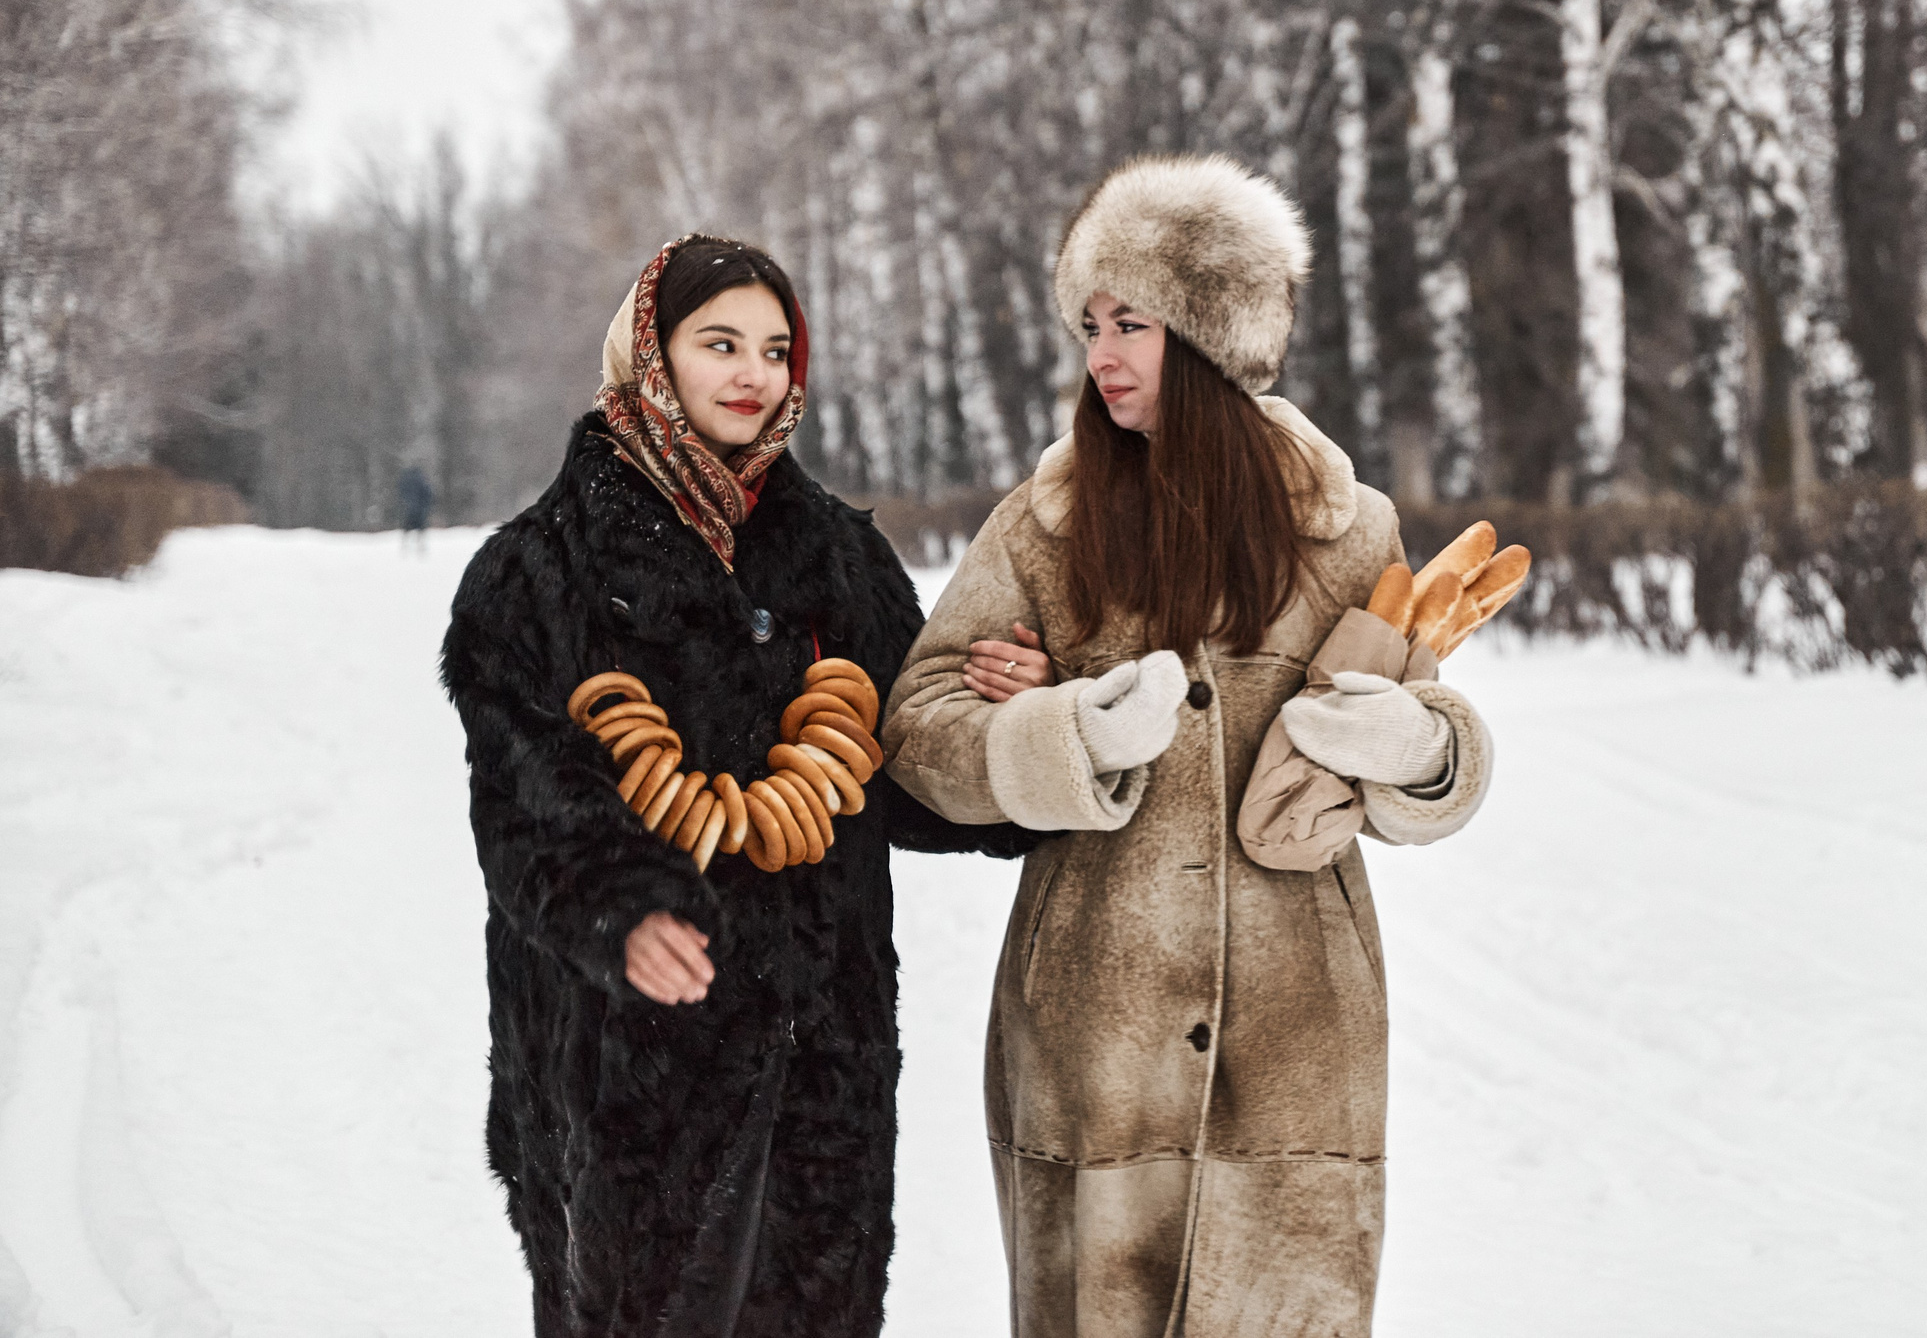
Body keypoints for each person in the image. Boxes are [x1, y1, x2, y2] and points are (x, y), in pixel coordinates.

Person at [882, 154, 1495, 1338]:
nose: (1100, 354)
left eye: (1132, 322)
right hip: (1091, 1044)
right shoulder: (1046, 525)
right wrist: (1056, 730)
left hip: (1298, 1046)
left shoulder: (1349, 528)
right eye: (1089, 324)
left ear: (1215, 333)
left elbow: (1437, 771)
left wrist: (1414, 743)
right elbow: (918, 727)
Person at [441, 234, 1033, 1338]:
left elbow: (908, 776)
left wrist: (1011, 722)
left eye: (774, 347)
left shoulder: (842, 562)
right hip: (621, 1063)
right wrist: (621, 908)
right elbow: (523, 802)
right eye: (719, 342)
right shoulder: (534, 573)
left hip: (824, 1069)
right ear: (650, 352)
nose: (753, 373)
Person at [397, 462, 433, 552]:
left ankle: (404, 545)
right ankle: (420, 545)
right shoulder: (421, 481)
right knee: (420, 527)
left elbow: (401, 492)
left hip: (409, 509)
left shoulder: (406, 481)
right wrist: (426, 506)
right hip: (419, 510)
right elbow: (428, 494)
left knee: (407, 527)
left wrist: (406, 504)